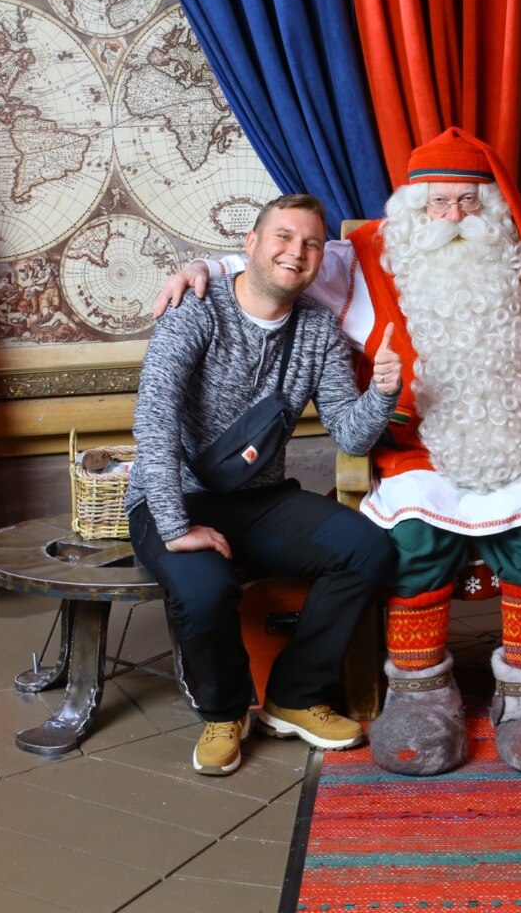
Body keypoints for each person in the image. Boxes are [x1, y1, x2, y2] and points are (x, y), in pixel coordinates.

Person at [156, 128, 521, 779]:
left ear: (492, 204)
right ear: (413, 209)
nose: (454, 216)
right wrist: (206, 270)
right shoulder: (365, 257)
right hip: (416, 456)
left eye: (467, 201)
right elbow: (281, 259)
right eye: (438, 202)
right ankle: (421, 697)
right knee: (412, 536)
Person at [126, 193, 401, 777]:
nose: (295, 251)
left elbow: (350, 436)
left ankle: (295, 696)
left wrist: (382, 392)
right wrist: (174, 526)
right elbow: (154, 417)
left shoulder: (318, 329)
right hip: (174, 497)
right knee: (206, 590)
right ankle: (225, 712)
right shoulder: (196, 309)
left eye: (310, 244)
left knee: (368, 549)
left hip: (258, 499)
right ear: (250, 244)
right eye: (283, 236)